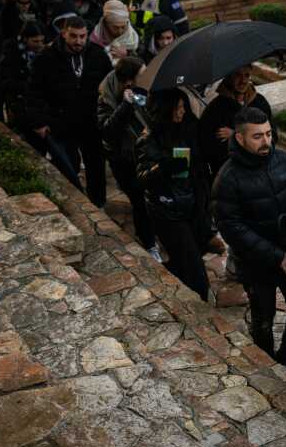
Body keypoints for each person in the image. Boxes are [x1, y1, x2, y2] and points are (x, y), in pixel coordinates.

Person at [213, 106, 286, 383]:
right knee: (263, 318)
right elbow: (232, 228)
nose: (266, 141)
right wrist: (273, 256)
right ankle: (266, 363)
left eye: (269, 134)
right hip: (257, 263)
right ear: (240, 138)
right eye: (257, 136)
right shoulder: (227, 178)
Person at [25, 16, 113, 204]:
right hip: (62, 122)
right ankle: (78, 205)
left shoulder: (97, 55)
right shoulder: (46, 58)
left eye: (82, 36)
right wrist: (39, 122)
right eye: (74, 36)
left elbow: (109, 87)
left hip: (91, 123)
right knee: (68, 168)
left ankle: (98, 205)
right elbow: (34, 92)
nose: (78, 41)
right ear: (64, 34)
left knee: (96, 167)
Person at [136, 88, 211, 300]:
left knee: (185, 260)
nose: (182, 112)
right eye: (178, 108)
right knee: (195, 272)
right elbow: (142, 178)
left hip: (190, 206)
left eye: (183, 107)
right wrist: (164, 167)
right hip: (168, 212)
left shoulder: (185, 129)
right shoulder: (147, 139)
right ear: (165, 109)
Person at [97, 56, 157, 255]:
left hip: (146, 153)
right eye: (142, 74)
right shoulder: (107, 96)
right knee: (139, 200)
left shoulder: (144, 90)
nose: (147, 77)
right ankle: (150, 244)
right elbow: (107, 131)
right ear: (129, 82)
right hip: (123, 160)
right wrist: (125, 106)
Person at [199, 65, 273, 179]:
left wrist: (235, 135)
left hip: (258, 171)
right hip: (228, 176)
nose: (243, 80)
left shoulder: (260, 102)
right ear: (229, 76)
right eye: (238, 75)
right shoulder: (216, 108)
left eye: (247, 75)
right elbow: (206, 145)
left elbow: (273, 137)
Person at [0, 20, 47, 142]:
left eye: (41, 41)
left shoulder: (44, 53)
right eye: (35, 41)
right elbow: (5, 80)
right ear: (25, 39)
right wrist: (27, 87)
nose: (39, 45)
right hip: (19, 103)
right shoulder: (11, 52)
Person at [90, 0, 140, 64]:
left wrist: (127, 55)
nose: (120, 31)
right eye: (115, 27)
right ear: (106, 24)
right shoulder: (95, 39)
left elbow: (140, 60)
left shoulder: (133, 36)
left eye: (123, 27)